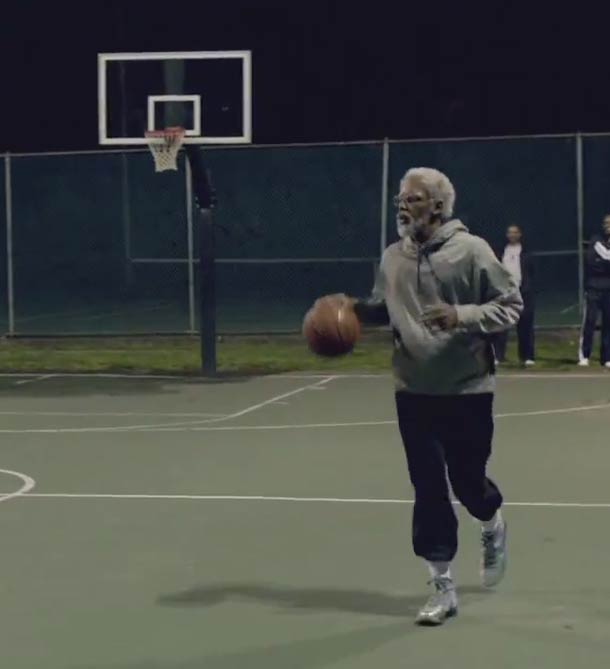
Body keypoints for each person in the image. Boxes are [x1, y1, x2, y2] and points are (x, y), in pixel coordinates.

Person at [335, 168, 522, 626]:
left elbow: (511, 305)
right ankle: (442, 585)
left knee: (468, 483)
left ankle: (491, 522)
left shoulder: (472, 250)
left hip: (467, 388)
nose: (403, 206)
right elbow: (384, 308)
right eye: (400, 199)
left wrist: (462, 314)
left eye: (414, 198)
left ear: (438, 206)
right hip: (413, 390)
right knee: (428, 487)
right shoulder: (392, 257)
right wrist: (347, 313)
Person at [493, 225, 536, 366]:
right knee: (501, 324)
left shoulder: (526, 252)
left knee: (525, 325)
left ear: (520, 234)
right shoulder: (501, 251)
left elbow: (531, 271)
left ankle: (527, 356)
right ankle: (498, 356)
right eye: (510, 232)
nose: (512, 235)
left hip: (523, 292)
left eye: (515, 232)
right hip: (505, 293)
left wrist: (527, 287)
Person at [578, 215, 610, 368]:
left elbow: (604, 261)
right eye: (606, 223)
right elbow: (594, 263)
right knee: (589, 322)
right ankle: (584, 356)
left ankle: (606, 357)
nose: (608, 225)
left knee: (608, 324)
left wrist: (603, 263)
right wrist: (604, 265)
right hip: (594, 288)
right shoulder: (596, 240)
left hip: (608, 289)